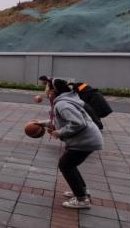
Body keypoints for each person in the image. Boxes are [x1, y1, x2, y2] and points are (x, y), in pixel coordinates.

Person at [45, 78, 103, 209]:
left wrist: (60, 133)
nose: (46, 90)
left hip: (86, 140)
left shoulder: (62, 104)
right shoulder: (66, 101)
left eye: (47, 87)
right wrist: (40, 123)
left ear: (54, 90)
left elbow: (78, 123)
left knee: (65, 165)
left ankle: (82, 199)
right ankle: (82, 191)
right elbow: (63, 122)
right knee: (70, 165)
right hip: (87, 139)